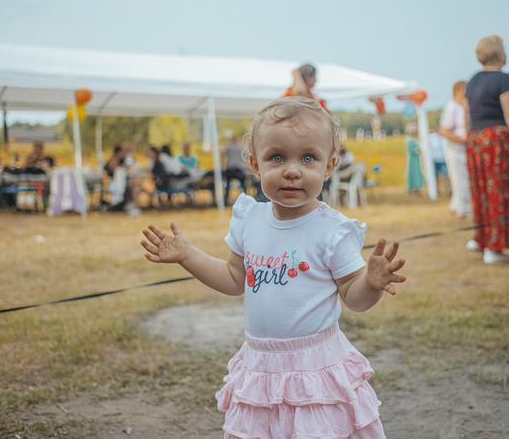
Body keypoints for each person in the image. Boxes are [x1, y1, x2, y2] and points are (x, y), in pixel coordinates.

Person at [141, 97, 406, 438]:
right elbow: (235, 279)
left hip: (314, 369)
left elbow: (354, 300)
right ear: (254, 163)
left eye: (308, 158)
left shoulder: (332, 231)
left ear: (329, 165)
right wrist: (188, 255)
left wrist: (369, 283)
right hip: (260, 366)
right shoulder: (250, 219)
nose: (292, 170)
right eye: (277, 157)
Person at [465, 35, 509, 264]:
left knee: (483, 193)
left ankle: (484, 238)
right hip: (497, 142)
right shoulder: (504, 80)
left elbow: (468, 116)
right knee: (502, 191)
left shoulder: (473, 81)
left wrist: (471, 140)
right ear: (498, 54)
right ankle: (495, 249)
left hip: (477, 141)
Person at [439, 81, 470, 217]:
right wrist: (462, 140)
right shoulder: (452, 106)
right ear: (458, 91)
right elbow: (444, 130)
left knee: (464, 179)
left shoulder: (465, 106)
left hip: (464, 148)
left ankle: (457, 205)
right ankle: (462, 208)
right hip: (455, 148)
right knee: (459, 179)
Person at [222, 134, 248, 205]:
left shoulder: (229, 147)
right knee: (243, 185)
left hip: (230, 169)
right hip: (239, 169)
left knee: (227, 185)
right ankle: (246, 198)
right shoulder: (240, 147)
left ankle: (226, 199)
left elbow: (223, 154)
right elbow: (244, 158)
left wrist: (224, 167)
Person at [428, 132, 450, 197]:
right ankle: (436, 190)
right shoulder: (430, 137)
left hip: (443, 159)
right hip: (434, 159)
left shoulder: (444, 137)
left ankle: (448, 190)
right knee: (435, 176)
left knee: (446, 175)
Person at [405, 123, 424, 194]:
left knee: (417, 173)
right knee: (413, 172)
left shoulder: (414, 140)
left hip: (417, 159)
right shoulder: (409, 140)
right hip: (412, 159)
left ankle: (417, 187)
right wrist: (419, 150)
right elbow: (411, 150)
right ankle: (412, 187)